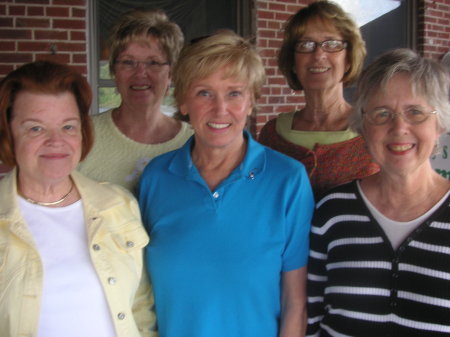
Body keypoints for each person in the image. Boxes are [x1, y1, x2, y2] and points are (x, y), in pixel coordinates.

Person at [138, 31, 315, 337]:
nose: (220, 109)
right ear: (183, 102)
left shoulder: (287, 180)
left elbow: (295, 303)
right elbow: (139, 295)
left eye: (234, 93)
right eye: (204, 93)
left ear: (251, 102)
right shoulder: (156, 178)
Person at [0, 60, 156, 337]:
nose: (56, 141)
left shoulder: (119, 205)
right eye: (35, 128)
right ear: (9, 135)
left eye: (68, 127)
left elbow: (141, 308)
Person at [307, 49, 450, 336]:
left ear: (440, 124)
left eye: (416, 112)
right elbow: (310, 318)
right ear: (363, 125)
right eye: (382, 113)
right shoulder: (332, 213)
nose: (399, 128)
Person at [258, 0, 378, 199]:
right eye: (305, 44)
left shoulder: (372, 130)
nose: (318, 54)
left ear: (348, 60)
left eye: (331, 44)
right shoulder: (272, 134)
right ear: (293, 62)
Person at [78, 9, 193, 193]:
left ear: (171, 73)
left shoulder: (192, 143)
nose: (140, 73)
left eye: (153, 63)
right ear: (114, 71)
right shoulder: (82, 136)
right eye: (128, 62)